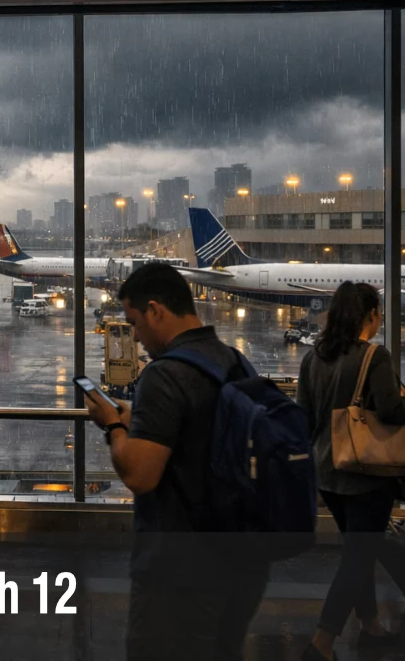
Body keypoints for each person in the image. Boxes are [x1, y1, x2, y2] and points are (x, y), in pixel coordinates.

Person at [82, 263, 268, 661]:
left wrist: (112, 423)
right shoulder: (234, 362)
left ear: (156, 311)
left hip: (182, 570)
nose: (134, 335)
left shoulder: (165, 374)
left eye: (134, 322)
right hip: (242, 561)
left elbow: (140, 474)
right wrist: (141, 419)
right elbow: (197, 435)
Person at [297, 282, 405, 661]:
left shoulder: (313, 358)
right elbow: (390, 412)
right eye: (378, 312)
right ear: (368, 316)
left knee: (356, 551)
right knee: (359, 559)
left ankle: (370, 626)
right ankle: (322, 642)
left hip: (328, 473)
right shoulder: (374, 356)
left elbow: (304, 418)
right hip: (366, 474)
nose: (380, 319)